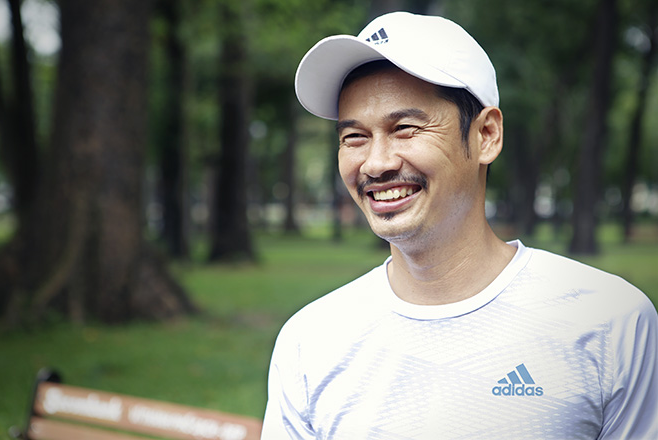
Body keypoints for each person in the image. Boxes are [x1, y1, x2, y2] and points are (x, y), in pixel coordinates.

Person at [261, 11, 658, 439]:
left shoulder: (610, 322)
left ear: (486, 135)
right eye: (354, 137)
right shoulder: (309, 342)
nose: (375, 163)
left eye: (405, 128)